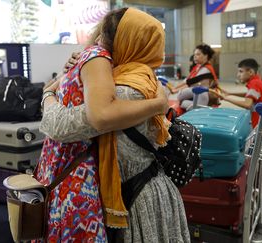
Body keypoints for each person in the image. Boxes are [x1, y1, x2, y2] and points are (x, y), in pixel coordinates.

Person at [35, 7, 189, 242]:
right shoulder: (141, 75)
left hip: (137, 201)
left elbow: (60, 126)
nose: (98, 41)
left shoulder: (125, 90)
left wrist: (48, 93)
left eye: (104, 36)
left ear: (126, 42)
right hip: (140, 191)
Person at [211, 58, 262, 212]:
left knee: (251, 166)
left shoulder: (255, 84)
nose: (238, 74)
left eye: (241, 71)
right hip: (259, 128)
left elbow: (247, 103)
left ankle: (260, 199)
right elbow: (248, 93)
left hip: (258, 129)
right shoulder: (255, 82)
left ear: (250, 72)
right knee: (252, 165)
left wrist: (226, 98)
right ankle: (258, 197)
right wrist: (230, 92)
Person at [171, 44, 219, 110]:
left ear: (206, 56)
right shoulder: (198, 67)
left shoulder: (206, 69)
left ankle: (200, 108)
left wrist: (175, 90)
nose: (195, 57)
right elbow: (187, 80)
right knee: (182, 100)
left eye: (198, 54)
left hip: (204, 96)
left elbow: (190, 82)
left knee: (180, 97)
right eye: (194, 54)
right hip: (199, 94)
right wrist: (174, 88)